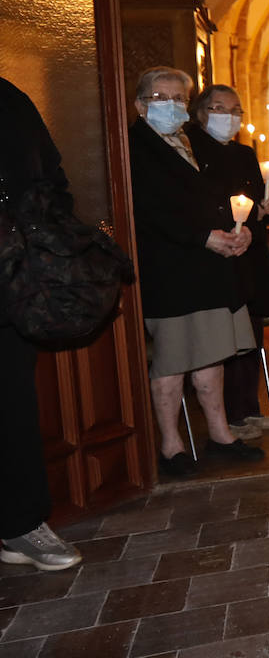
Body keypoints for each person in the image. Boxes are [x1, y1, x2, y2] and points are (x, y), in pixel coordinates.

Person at [127, 66, 264, 477]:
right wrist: (203, 236)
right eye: (160, 98)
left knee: (211, 354)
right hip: (170, 271)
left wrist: (241, 233)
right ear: (139, 105)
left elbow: (222, 197)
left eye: (178, 99)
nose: (171, 106)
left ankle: (220, 434)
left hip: (210, 267)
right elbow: (149, 209)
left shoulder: (187, 142)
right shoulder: (135, 146)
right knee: (172, 360)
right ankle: (170, 446)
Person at [0, 77, 82, 571]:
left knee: (13, 403)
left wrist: (46, 238)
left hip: (10, 282)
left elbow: (51, 178)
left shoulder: (10, 99)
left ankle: (22, 525)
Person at [187, 84, 269, 441]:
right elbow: (204, 205)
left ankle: (249, 410)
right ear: (200, 113)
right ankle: (228, 416)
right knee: (224, 341)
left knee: (251, 336)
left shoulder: (245, 154)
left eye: (236, 110)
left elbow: (263, 203)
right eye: (219, 108)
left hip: (251, 258)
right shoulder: (193, 152)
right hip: (217, 256)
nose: (229, 116)